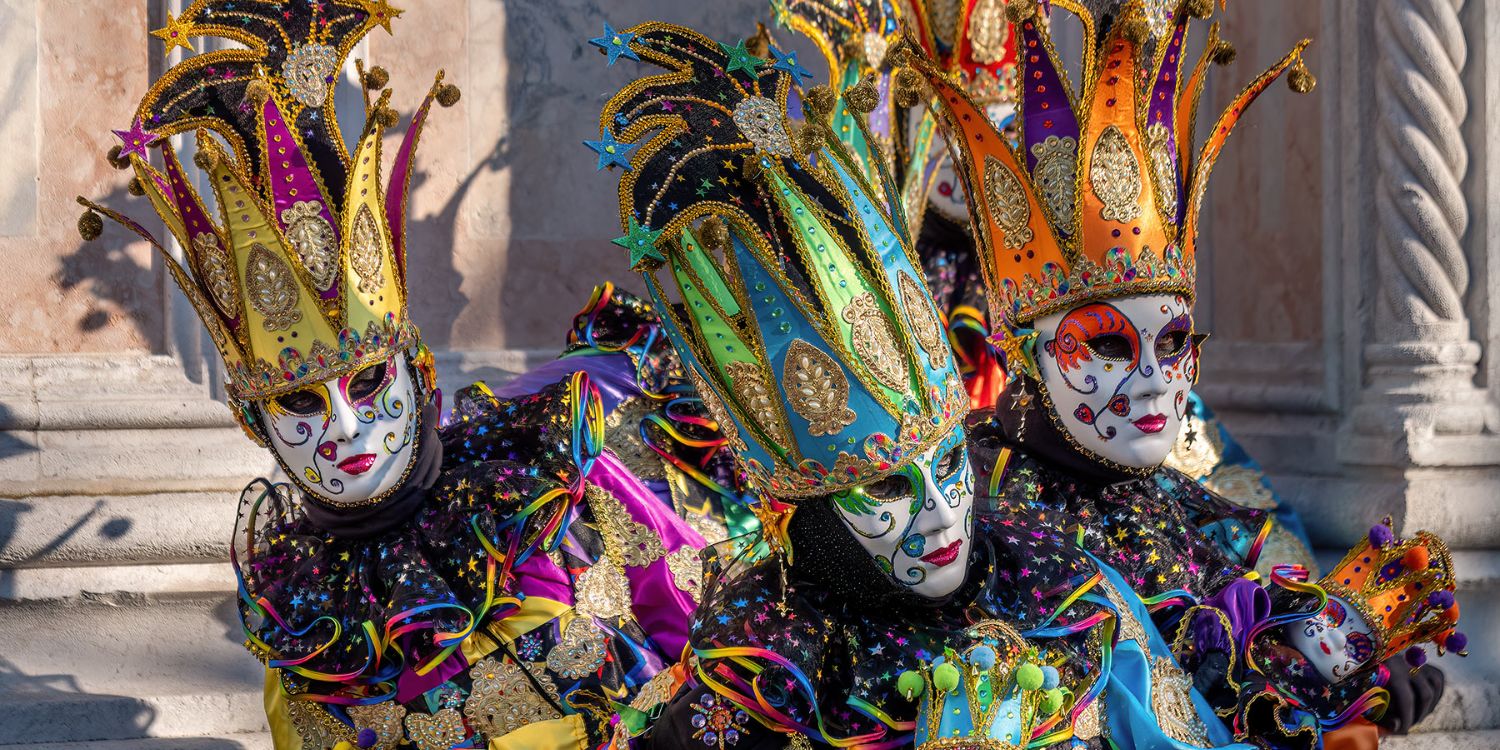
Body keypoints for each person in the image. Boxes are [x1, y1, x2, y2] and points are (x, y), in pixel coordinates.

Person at [585, 18, 1282, 750]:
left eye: (950, 467)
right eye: (884, 487)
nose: (945, 518)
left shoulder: (1065, 594)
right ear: (808, 512)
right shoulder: (761, 673)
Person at [76, 3, 700, 747]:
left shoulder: (556, 492)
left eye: (370, 383)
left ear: (421, 374)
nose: (345, 429)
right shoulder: (306, 630)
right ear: (256, 425)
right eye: (299, 403)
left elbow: (703, 656)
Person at [910, 0, 1462, 744]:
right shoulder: (973, 510)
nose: (1151, 383)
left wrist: (1333, 663)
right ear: (1027, 354)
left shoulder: (1176, 503)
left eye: (1173, 344)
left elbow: (1254, 593)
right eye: (1105, 347)